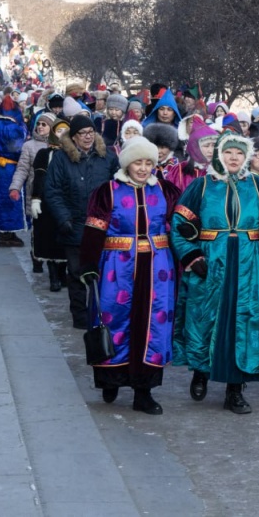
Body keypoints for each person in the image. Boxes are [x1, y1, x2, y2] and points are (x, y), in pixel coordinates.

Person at [169, 132, 259, 414]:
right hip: (211, 264)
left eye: (239, 154)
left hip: (249, 265)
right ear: (218, 155)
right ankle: (201, 372)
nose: (234, 158)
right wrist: (191, 255)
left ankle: (235, 390)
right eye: (229, 153)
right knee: (206, 319)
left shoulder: (258, 185)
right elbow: (178, 224)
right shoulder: (201, 186)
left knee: (243, 322)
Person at [79, 137, 181, 414]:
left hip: (158, 268)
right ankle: (110, 378)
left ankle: (143, 392)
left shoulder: (166, 190)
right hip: (116, 267)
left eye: (149, 162)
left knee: (152, 325)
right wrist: (88, 265)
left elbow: (182, 225)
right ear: (127, 162)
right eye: (138, 162)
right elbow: (93, 231)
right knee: (114, 319)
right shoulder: (107, 192)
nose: (144, 168)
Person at [45, 114, 119, 328]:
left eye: (90, 132)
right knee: (77, 274)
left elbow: (118, 186)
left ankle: (102, 313)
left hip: (103, 224)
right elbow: (52, 191)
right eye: (82, 134)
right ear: (73, 137)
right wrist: (63, 218)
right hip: (74, 223)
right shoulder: (61, 158)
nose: (87, 137)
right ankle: (80, 316)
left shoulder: (108, 156)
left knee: (103, 272)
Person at [10, 112, 56, 272]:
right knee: (37, 227)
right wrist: (15, 187)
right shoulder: (29, 145)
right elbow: (22, 168)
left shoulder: (61, 145)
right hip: (35, 191)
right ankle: (36, 256)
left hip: (55, 193)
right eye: (39, 124)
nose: (40, 127)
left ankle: (52, 261)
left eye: (45, 124)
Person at [31, 119, 70, 292]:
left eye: (66, 130)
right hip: (47, 202)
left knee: (65, 238)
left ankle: (63, 274)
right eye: (59, 130)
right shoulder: (44, 154)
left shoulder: (74, 153)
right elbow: (39, 177)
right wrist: (36, 198)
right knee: (49, 239)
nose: (62, 134)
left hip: (68, 202)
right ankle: (53, 275)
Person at [0, 95, 28, 247]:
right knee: (12, 198)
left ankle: (2, 232)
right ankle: (9, 232)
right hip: (11, 167)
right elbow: (18, 150)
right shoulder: (15, 129)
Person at [165, 121, 217, 192]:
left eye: (213, 145)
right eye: (206, 146)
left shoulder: (221, 171)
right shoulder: (178, 170)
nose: (210, 150)